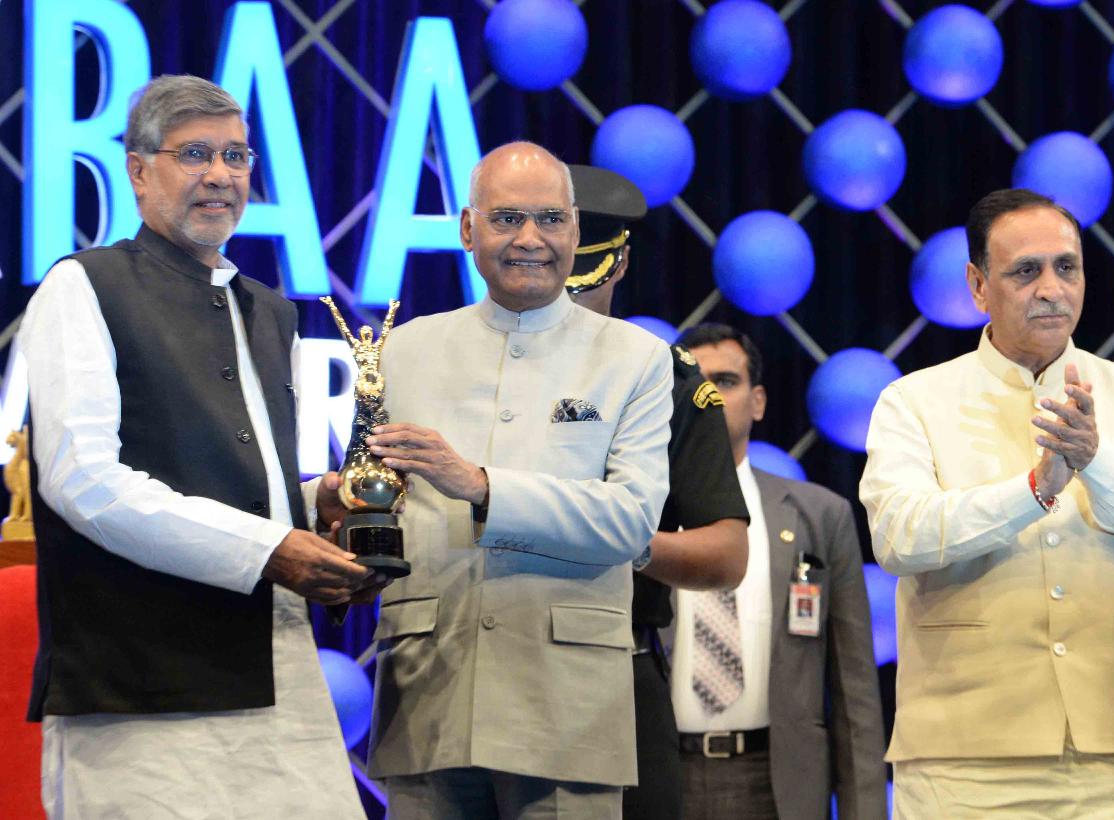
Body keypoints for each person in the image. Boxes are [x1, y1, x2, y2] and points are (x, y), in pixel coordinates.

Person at [23, 74, 373, 818]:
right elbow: (84, 482)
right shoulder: (84, 285)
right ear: (138, 170)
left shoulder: (268, 311)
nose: (220, 174)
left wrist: (313, 503)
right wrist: (270, 548)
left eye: (236, 155)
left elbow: (242, 487)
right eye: (194, 154)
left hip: (279, 677)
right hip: (141, 694)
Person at [314, 141, 674, 819]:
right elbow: (369, 494)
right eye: (507, 219)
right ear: (467, 229)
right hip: (426, 697)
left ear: (575, 228)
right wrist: (333, 516)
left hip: (566, 709)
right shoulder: (403, 349)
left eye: (550, 219)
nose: (530, 239)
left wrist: (481, 485)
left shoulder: (638, 358)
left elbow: (630, 521)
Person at [860, 188, 1114, 818]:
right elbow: (899, 538)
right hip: (963, 766)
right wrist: (1032, 491)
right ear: (978, 286)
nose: (1051, 288)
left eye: (1066, 267)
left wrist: (1097, 462)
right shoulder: (913, 401)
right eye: (1026, 271)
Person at [565, 164, 750, 820]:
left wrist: (608, 534)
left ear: (617, 265)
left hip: (618, 655)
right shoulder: (455, 360)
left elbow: (726, 553)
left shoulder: (669, 380)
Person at [671, 324, 887, 820]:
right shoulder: (634, 511)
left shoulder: (821, 515)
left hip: (780, 782)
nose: (708, 396)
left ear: (758, 402)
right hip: (658, 778)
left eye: (725, 381)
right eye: (693, 383)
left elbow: (854, 690)